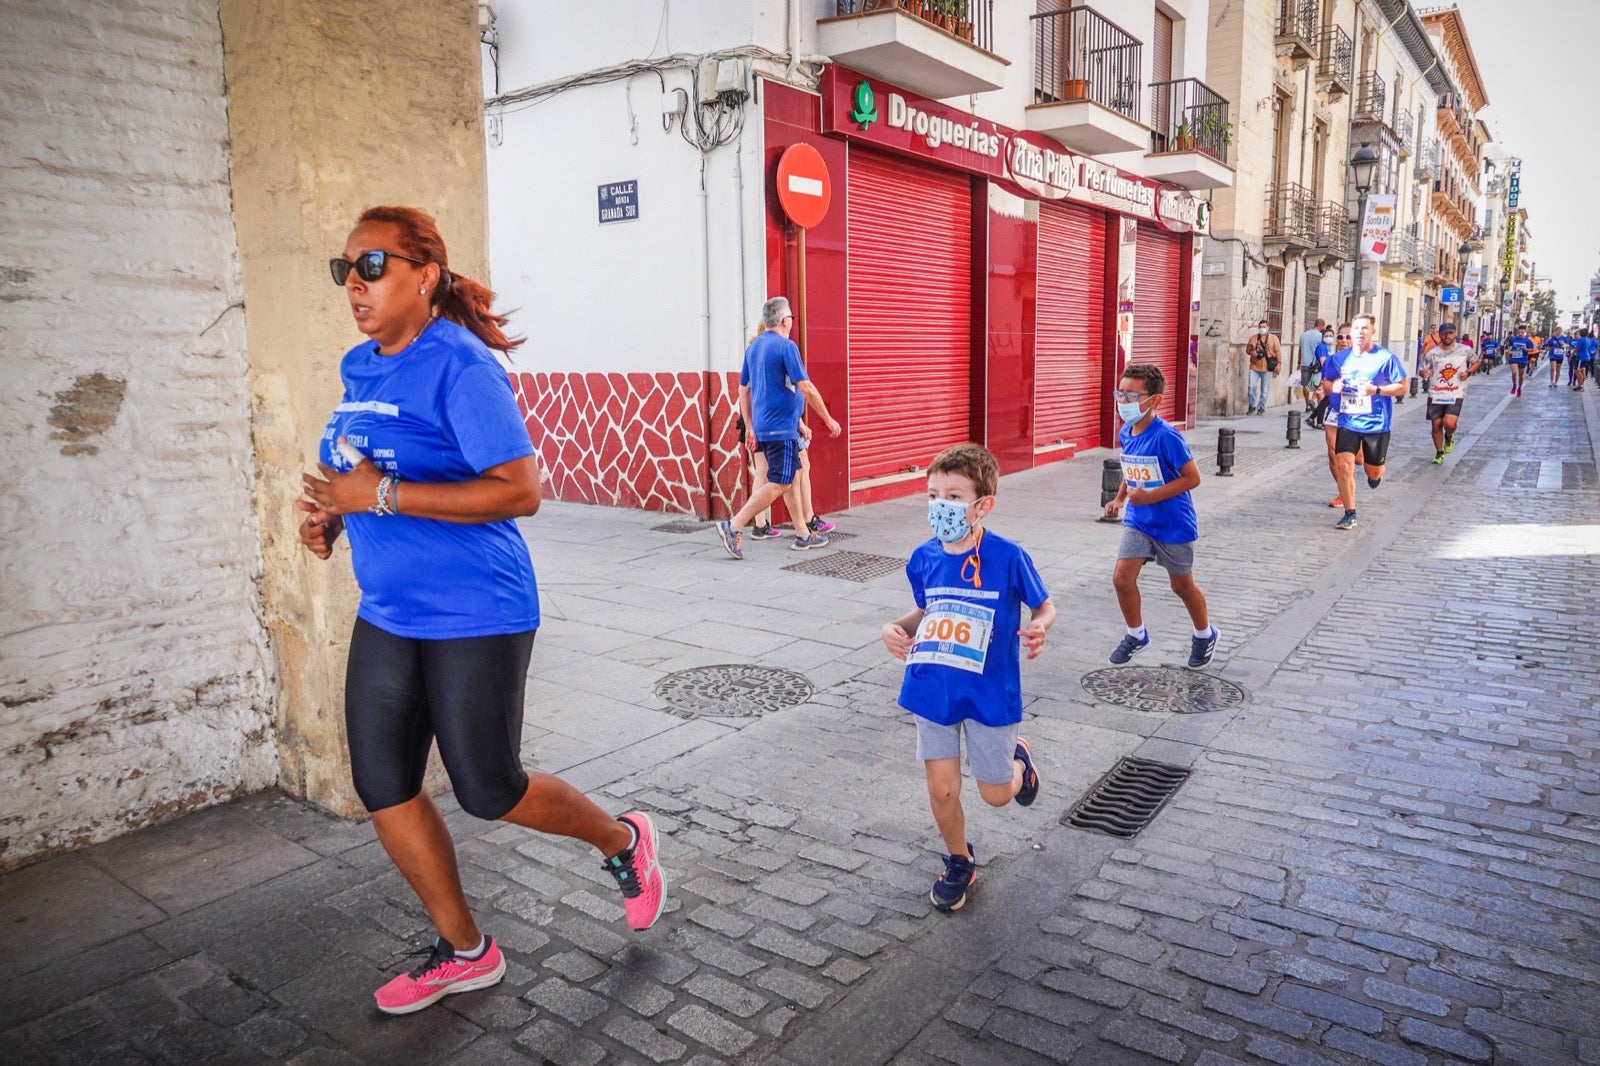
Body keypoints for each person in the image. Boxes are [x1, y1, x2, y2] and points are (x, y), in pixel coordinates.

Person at [299, 206, 666, 1016]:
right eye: (344, 269)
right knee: (383, 782)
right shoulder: (359, 366)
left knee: (489, 788)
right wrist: (337, 515)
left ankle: (623, 841)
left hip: (477, 611)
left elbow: (521, 490)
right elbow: (365, 473)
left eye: (372, 267)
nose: (353, 285)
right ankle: (466, 951)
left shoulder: (460, 365)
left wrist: (381, 495)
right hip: (391, 609)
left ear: (424, 275)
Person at [881, 444, 1053, 913]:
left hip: (989, 693)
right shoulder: (922, 558)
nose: (941, 506)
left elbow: (1044, 605)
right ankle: (960, 860)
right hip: (933, 687)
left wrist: (1039, 626)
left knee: (997, 795)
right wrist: (894, 628)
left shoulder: (1008, 556)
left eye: (954, 497)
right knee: (942, 788)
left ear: (983, 505)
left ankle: (1019, 760)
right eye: (933, 495)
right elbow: (928, 609)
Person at [1103, 364, 1219, 668]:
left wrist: (1151, 496)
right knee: (1121, 578)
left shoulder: (1168, 436)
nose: (1123, 402)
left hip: (1173, 523)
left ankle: (1204, 634)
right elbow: (1132, 469)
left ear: (1154, 400)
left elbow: (1192, 478)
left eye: (1131, 396)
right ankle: (1136, 633)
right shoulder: (1126, 431)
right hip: (1139, 521)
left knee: (1181, 586)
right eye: (1120, 394)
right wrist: (1119, 499)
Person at [716, 296, 840, 559]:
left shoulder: (755, 348)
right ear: (785, 320)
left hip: (767, 426)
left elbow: (743, 389)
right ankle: (734, 525)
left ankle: (803, 534)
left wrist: (750, 425)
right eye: (791, 318)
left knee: (793, 476)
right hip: (779, 429)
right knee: (780, 482)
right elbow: (805, 387)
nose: (792, 322)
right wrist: (828, 419)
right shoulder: (786, 347)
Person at [1320, 312, 1408, 530]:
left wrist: (1376, 389)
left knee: (1372, 471)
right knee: (1343, 464)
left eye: (1364, 329)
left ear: (1372, 332)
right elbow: (1326, 381)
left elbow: (1403, 386)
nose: (1360, 333)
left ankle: (1375, 474)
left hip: (1376, 424)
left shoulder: (1385, 358)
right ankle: (1350, 513)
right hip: (1347, 421)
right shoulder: (1339, 359)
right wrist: (1334, 387)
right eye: (1357, 329)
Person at [1420, 322, 1480, 463]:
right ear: (1440, 335)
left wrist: (1468, 372)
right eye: (1444, 333)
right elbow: (1422, 369)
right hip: (1436, 393)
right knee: (1436, 425)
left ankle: (1449, 436)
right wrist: (1424, 373)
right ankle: (1439, 452)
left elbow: (1476, 361)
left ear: (1455, 333)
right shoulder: (1433, 353)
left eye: (1450, 333)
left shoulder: (1465, 350)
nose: (1447, 336)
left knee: (1449, 423)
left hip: (1456, 392)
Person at [1313, 324, 1352, 508]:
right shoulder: (1331, 360)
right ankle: (1343, 491)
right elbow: (1326, 380)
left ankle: (1373, 466)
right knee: (1332, 453)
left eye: (1348, 337)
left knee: (1358, 458)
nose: (1344, 341)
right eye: (1341, 337)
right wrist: (1322, 390)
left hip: (1358, 411)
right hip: (1336, 409)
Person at [1246, 320, 1281, 414]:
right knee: (1251, 387)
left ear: (1268, 327)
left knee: (1264, 390)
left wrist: (1279, 363)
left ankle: (1261, 407)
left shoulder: (1274, 339)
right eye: (1260, 327)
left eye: (1264, 327)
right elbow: (1248, 350)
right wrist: (1252, 353)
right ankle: (1252, 405)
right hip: (1254, 366)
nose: (1262, 329)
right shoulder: (1253, 338)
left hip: (1267, 367)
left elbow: (1278, 351)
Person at [1298, 318, 1327, 411]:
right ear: (1321, 326)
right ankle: (1313, 400)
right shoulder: (1321, 336)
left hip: (1305, 363)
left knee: (1305, 385)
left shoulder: (1303, 335)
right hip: (1317, 364)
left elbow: (1300, 350)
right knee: (1318, 384)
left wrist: (1299, 362)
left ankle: (1307, 404)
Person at [1506, 324, 1535, 396]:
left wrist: (1526, 349)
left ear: (1525, 332)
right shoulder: (1513, 339)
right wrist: (1509, 351)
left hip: (1523, 359)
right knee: (1514, 372)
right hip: (1514, 358)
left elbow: (1532, 349)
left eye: (1522, 332)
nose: (1520, 333)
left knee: (1521, 376)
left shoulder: (1528, 341)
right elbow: (1509, 346)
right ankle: (1514, 385)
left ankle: (1519, 388)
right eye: (1519, 332)